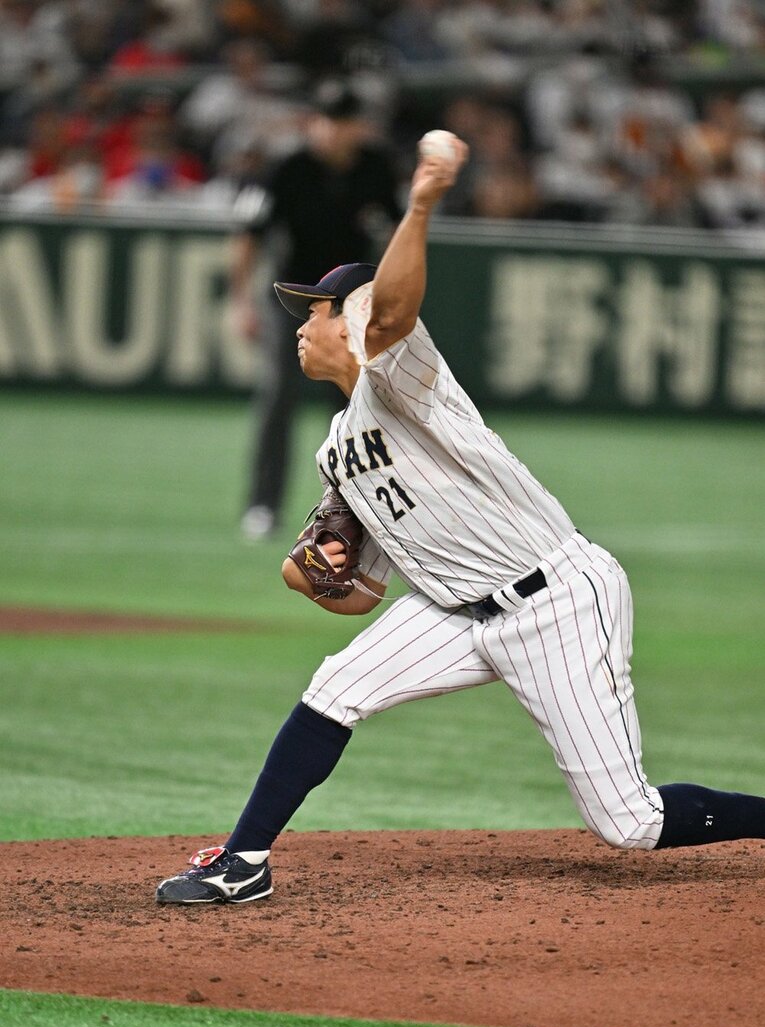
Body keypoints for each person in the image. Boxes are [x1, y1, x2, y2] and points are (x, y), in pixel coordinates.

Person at [157, 132, 765, 906]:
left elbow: (393, 309)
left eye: (313, 311)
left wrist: (420, 203)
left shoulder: (400, 377)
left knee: (630, 822)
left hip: (555, 601)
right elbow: (358, 594)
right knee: (336, 686)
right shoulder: (338, 451)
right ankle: (242, 862)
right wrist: (318, 579)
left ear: (350, 319)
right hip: (452, 607)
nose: (300, 325)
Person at [231, 78, 401, 541]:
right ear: (314, 123)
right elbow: (249, 235)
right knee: (277, 403)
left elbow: (396, 239)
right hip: (292, 305)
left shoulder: (376, 169)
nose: (336, 131)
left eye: (345, 122)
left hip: (352, 309)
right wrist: (241, 301)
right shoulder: (288, 169)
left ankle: (360, 509)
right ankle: (263, 506)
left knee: (358, 409)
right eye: (329, 121)